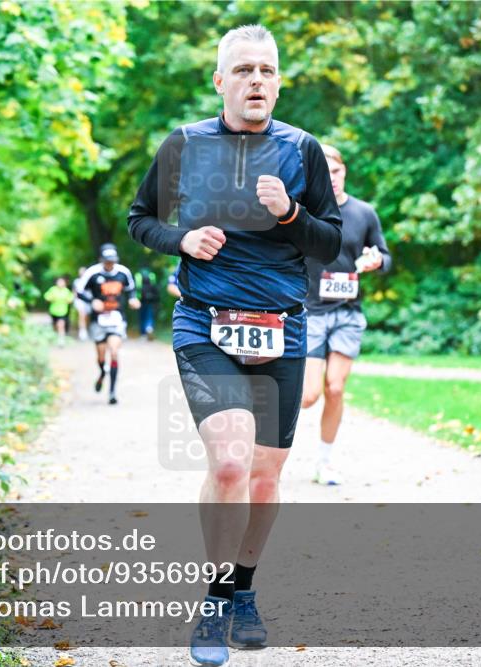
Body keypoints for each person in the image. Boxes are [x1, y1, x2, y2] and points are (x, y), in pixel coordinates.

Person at [127, 24, 341, 666]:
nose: (257, 81)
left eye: (267, 71)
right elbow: (141, 219)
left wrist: (291, 217)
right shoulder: (185, 144)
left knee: (266, 475)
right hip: (205, 322)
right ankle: (217, 599)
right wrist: (182, 242)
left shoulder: (301, 150)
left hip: (282, 326)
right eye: (243, 70)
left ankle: (244, 589)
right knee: (228, 463)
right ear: (220, 80)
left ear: (278, 81)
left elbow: (331, 242)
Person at [301, 144, 392, 486]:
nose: (332, 179)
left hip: (348, 314)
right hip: (310, 312)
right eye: (323, 173)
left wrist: (376, 261)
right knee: (309, 396)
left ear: (344, 172)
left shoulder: (364, 212)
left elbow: (385, 255)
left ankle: (325, 463)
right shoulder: (303, 213)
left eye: (336, 172)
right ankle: (262, 428)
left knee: (335, 388)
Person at [77, 244, 140, 405]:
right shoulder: (93, 273)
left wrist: (133, 299)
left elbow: (131, 289)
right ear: (101, 260)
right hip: (98, 320)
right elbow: (79, 291)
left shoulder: (123, 272)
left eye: (112, 262)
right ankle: (102, 373)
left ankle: (112, 392)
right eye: (106, 262)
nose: (109, 265)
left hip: (117, 318)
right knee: (100, 356)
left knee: (113, 352)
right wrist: (92, 301)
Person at [43, 276, 75, 345]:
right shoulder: (52, 289)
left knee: (61, 325)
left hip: (63, 311)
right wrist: (51, 298)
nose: (60, 283)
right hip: (54, 311)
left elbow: (71, 299)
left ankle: (61, 339)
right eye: (59, 282)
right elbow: (47, 297)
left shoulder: (66, 291)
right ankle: (56, 336)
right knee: (55, 326)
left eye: (62, 282)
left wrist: (70, 299)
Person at [134, 267, 161, 340]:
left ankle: (143, 334)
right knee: (149, 315)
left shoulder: (138, 275)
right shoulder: (152, 275)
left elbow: (136, 288)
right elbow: (155, 288)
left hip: (140, 299)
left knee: (141, 316)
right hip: (150, 299)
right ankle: (149, 328)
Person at [72, 266, 92, 341]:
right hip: (79, 300)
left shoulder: (90, 280)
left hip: (88, 300)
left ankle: (86, 329)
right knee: (82, 314)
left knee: (86, 316)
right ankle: (82, 331)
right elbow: (74, 292)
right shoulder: (76, 281)